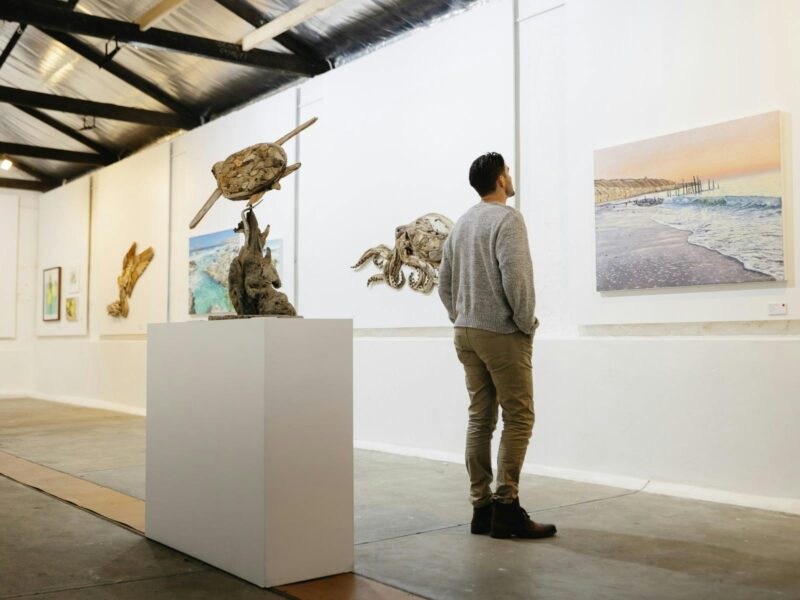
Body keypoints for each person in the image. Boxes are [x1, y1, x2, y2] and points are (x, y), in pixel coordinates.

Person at [438, 152, 556, 540]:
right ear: (501, 180)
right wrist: (526, 324)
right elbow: (517, 280)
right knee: (518, 418)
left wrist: (461, 315)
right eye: (508, 170)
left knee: (480, 418)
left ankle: (481, 509)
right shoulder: (508, 219)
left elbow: (445, 285)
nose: (510, 175)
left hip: (465, 331)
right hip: (501, 333)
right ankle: (506, 507)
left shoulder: (461, 224)